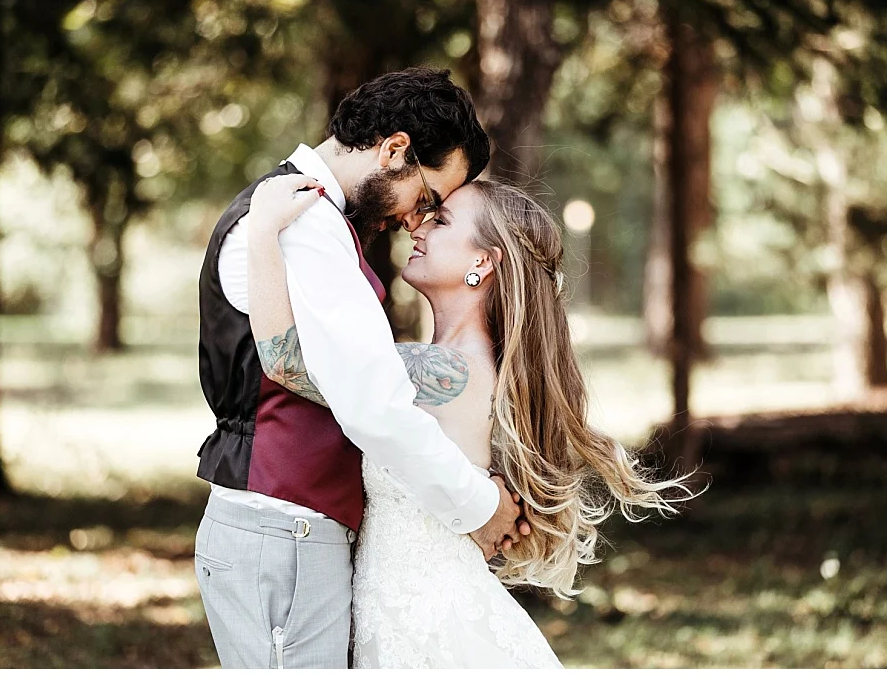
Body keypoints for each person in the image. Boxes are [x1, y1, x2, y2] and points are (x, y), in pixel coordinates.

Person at [244, 173, 694, 667]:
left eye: (440, 220)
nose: (416, 227)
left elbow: (287, 362)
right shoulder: (458, 363)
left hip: (431, 632)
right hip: (409, 618)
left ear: (483, 261)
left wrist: (263, 231)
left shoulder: (445, 371)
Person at [193, 67, 528, 669]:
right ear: (395, 149)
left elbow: (366, 374)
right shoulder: (304, 223)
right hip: (282, 527)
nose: (413, 220)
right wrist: (480, 507)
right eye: (425, 199)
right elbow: (368, 400)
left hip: (290, 530)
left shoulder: (306, 216)